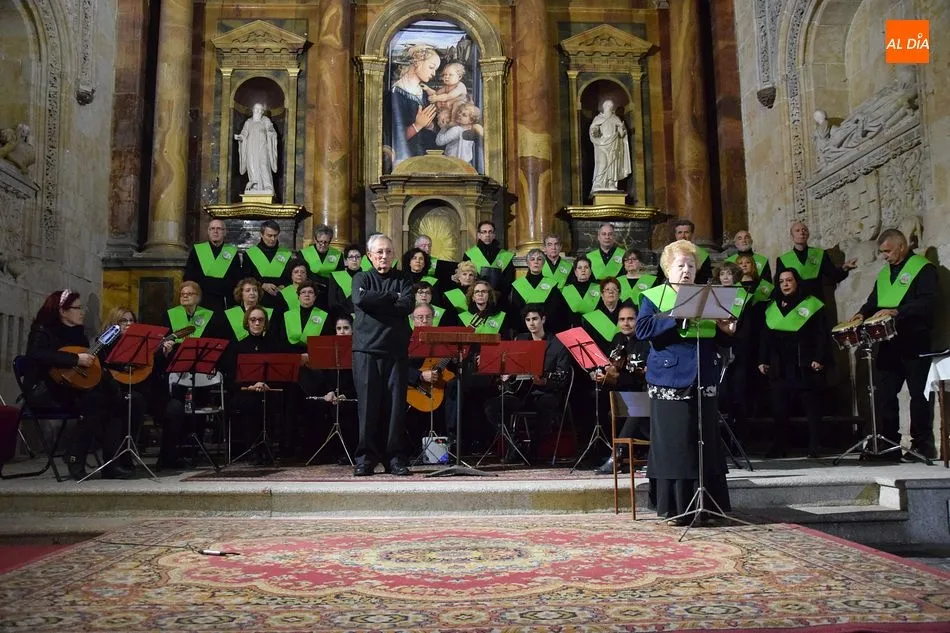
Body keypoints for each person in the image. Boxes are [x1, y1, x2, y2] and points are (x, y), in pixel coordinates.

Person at [636, 240, 735, 526]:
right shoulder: (654, 296)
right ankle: (678, 507)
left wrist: (727, 331)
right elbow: (642, 329)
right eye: (680, 265)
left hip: (704, 374)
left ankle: (709, 505)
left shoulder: (709, 296)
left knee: (705, 441)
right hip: (670, 377)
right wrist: (674, 314)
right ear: (668, 269)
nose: (686, 270)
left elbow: (720, 337)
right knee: (676, 443)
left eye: (691, 265)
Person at [23, 290, 128, 480]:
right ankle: (75, 457)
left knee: (115, 399)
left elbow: (85, 362)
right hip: (45, 390)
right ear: (63, 311)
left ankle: (111, 462)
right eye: (78, 308)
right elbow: (36, 356)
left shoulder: (78, 332)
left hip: (71, 387)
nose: (83, 312)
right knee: (95, 400)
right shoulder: (42, 329)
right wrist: (75, 359)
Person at [851, 229, 937, 460]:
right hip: (889, 342)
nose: (884, 256)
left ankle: (922, 444)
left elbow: (928, 302)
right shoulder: (884, 274)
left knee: (920, 395)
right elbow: (873, 301)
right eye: (881, 252)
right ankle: (891, 444)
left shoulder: (923, 268)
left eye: (887, 251)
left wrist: (898, 311)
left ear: (901, 246)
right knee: (885, 395)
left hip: (915, 339)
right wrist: (861, 314)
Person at [352, 234, 415, 476]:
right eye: (379, 252)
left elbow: (406, 305)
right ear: (369, 255)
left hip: (396, 351)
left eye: (388, 251)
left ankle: (395, 458)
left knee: (396, 408)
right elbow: (360, 298)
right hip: (366, 350)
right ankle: (366, 458)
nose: (384, 256)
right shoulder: (361, 277)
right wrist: (392, 298)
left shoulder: (403, 278)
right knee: (367, 407)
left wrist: (377, 302)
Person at [483, 305, 572, 462]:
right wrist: (507, 373)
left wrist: (544, 380)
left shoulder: (558, 344)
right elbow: (511, 364)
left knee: (545, 404)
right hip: (521, 393)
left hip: (545, 392)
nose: (532, 323)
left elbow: (562, 378)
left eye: (535, 319)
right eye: (528, 320)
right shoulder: (520, 340)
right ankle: (514, 443)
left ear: (543, 320)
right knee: (492, 407)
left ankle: (533, 451)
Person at [758, 269, 828, 458]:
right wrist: (762, 359)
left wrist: (819, 357)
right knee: (779, 407)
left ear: (797, 282)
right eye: (781, 281)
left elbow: (822, 334)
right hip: (779, 365)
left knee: (811, 406)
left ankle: (815, 445)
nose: (785, 284)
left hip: (804, 362)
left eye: (789, 280)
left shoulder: (811, 304)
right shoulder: (773, 307)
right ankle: (780, 446)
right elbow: (765, 336)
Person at [592, 305, 651, 474]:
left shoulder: (645, 341)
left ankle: (617, 456)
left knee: (634, 406)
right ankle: (606, 453)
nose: (626, 323)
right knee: (597, 400)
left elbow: (641, 374)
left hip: (644, 392)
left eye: (630, 319)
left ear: (639, 320)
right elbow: (610, 366)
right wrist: (605, 376)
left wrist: (616, 376)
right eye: (622, 319)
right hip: (623, 393)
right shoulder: (618, 339)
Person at [225, 306, 281, 464]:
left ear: (265, 323)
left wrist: (265, 383)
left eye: (260, 320)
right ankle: (253, 449)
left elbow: (280, 371)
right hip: (245, 391)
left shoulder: (273, 345)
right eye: (253, 320)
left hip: (267, 389)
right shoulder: (237, 346)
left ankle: (268, 447)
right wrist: (251, 384)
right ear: (247, 322)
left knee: (270, 402)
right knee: (251, 403)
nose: (257, 323)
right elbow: (231, 375)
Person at [775, 221, 856, 301]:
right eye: (797, 230)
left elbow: (833, 275)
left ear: (808, 234)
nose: (802, 232)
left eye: (804, 230)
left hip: (816, 302)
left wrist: (845, 268)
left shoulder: (820, 254)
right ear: (792, 236)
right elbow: (779, 286)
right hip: (794, 304)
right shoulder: (782, 259)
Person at [389, 45, 440, 164]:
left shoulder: (425, 93)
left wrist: (431, 126)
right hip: (406, 160)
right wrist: (417, 125)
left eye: (435, 69)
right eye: (431, 67)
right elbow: (391, 138)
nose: (434, 73)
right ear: (417, 62)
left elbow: (435, 129)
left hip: (426, 157)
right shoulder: (396, 93)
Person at [182, 218, 243, 312]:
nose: (215, 231)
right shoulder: (198, 250)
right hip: (201, 300)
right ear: (208, 231)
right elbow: (189, 276)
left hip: (224, 301)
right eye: (212, 228)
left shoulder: (232, 252)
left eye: (219, 228)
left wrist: (209, 283)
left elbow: (235, 279)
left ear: (225, 232)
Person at [508, 248, 565, 334]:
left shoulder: (551, 285)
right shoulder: (518, 285)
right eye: (532, 259)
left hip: (547, 330)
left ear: (543, 263)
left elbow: (555, 311)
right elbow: (516, 312)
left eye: (539, 259)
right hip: (524, 331)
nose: (536, 262)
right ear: (528, 263)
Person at [242, 220, 294, 310]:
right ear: (261, 235)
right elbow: (246, 278)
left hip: (281, 299)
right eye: (269, 235)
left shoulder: (286, 253)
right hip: (259, 299)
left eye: (275, 235)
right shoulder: (250, 253)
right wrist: (262, 285)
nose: (273, 239)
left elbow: (290, 278)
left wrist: (284, 286)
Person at [463, 221, 515, 300]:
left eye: (490, 232)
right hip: (477, 298)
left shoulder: (505, 255)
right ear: (479, 235)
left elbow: (509, 279)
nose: (487, 235)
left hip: (500, 299)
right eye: (484, 232)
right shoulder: (469, 255)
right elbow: (467, 279)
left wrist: (499, 295)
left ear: (494, 235)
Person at [234, 102, 278, 194]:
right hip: (251, 148)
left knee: (264, 165)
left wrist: (271, 131)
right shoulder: (248, 122)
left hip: (262, 147)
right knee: (252, 165)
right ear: (253, 110)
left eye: (259, 109)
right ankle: (254, 186)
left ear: (262, 111)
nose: (257, 111)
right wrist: (240, 137)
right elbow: (244, 132)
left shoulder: (265, 120)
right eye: (256, 109)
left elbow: (271, 129)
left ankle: (267, 186)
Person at [589, 99, 631, 193]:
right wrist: (595, 132)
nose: (610, 108)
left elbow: (621, 134)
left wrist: (623, 129)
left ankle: (611, 182)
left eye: (611, 106)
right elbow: (593, 129)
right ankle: (599, 183)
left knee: (612, 164)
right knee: (602, 163)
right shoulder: (598, 118)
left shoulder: (615, 118)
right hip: (601, 145)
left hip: (613, 144)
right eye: (608, 106)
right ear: (605, 107)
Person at [581, 278, 624, 355]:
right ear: (601, 294)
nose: (611, 292)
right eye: (607, 289)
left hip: (622, 358)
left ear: (619, 294)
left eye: (614, 289)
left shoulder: (627, 314)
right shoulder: (593, 317)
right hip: (600, 358)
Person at [663, 219, 712, 284]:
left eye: (686, 232)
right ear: (675, 235)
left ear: (692, 234)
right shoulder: (668, 252)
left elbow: (706, 279)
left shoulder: (702, 254)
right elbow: (661, 277)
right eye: (680, 232)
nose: (683, 236)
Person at [423, 61, 469, 127]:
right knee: (437, 104)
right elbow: (437, 93)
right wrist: (427, 89)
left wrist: (436, 98)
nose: (446, 77)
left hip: (459, 111)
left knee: (457, 104)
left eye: (450, 75)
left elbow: (449, 96)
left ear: (459, 77)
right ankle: (433, 122)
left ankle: (453, 122)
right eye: (444, 75)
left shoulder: (460, 86)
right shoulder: (446, 87)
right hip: (447, 110)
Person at [562, 256, 601, 326]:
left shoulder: (599, 289)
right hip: (574, 329)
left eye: (586, 267)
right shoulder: (566, 290)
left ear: (590, 271)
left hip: (594, 327)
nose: (583, 270)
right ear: (575, 272)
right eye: (579, 268)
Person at [328, 244, 363, 316]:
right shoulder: (336, 277)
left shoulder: (368, 277)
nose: (354, 260)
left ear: (361, 259)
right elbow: (332, 303)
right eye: (351, 257)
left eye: (357, 257)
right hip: (343, 320)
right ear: (346, 261)